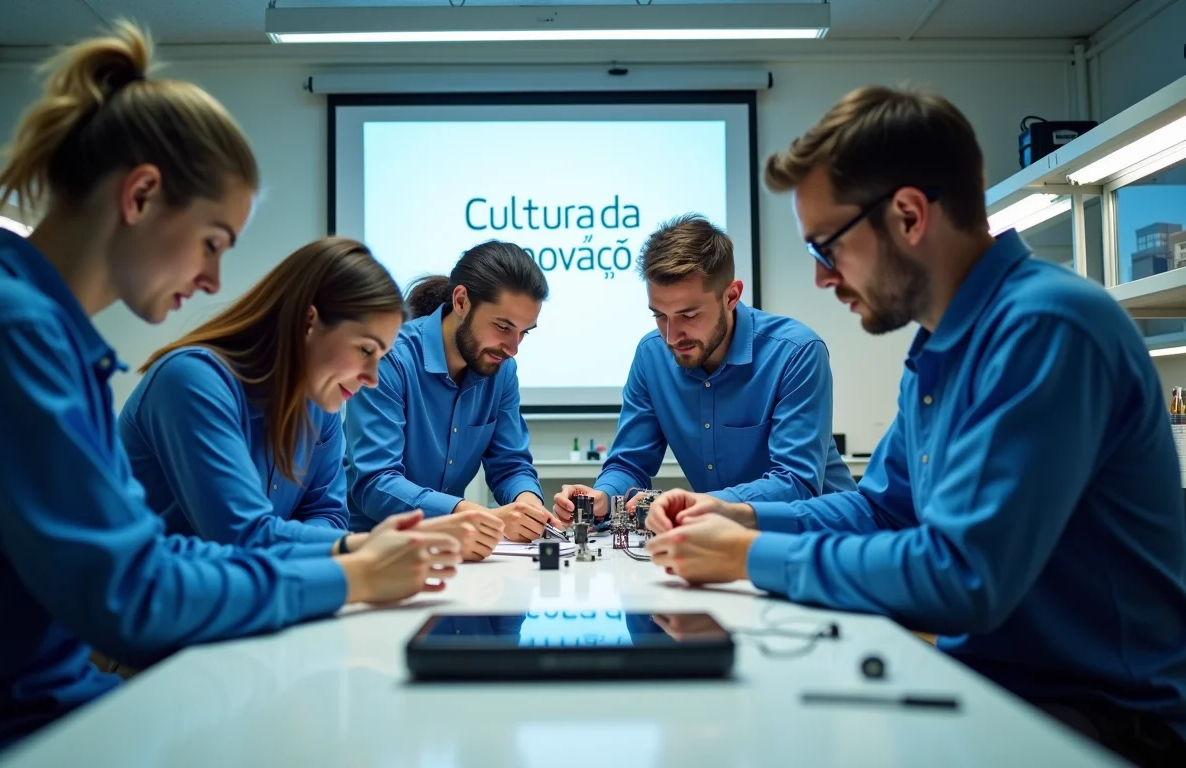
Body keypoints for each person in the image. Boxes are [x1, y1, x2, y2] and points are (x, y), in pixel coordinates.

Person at [0, 23, 459, 767]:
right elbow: (134, 596)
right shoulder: (7, 332)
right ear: (140, 195)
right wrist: (347, 573)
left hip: (46, 703)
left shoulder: (41, 334)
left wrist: (348, 560)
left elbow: (153, 553)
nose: (212, 281)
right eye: (213, 241)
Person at [643, 85, 1186, 766]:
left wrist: (748, 556)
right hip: (996, 689)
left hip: (1098, 722)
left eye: (827, 246)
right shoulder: (938, 347)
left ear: (906, 216)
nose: (819, 278)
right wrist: (739, 517)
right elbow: (882, 507)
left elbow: (963, 577)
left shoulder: (1045, 328)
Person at [118, 237, 503, 561]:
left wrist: (359, 549)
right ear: (308, 321)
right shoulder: (192, 381)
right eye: (365, 350)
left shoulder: (321, 406)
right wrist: (374, 547)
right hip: (156, 638)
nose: (370, 380)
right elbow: (244, 537)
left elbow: (327, 515)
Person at [553, 214, 856, 523]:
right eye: (660, 315)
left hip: (822, 537)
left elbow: (796, 484)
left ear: (732, 296)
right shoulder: (651, 356)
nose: (671, 336)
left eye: (689, 314)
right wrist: (604, 496)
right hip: (723, 536)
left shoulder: (796, 353)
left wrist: (697, 505)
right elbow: (630, 464)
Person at [344, 240, 560, 542]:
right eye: (502, 327)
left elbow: (510, 463)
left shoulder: (502, 369)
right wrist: (465, 516)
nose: (513, 349)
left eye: (524, 333)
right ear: (461, 302)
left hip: (452, 551)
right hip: (371, 547)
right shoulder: (389, 358)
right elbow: (376, 482)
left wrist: (527, 503)